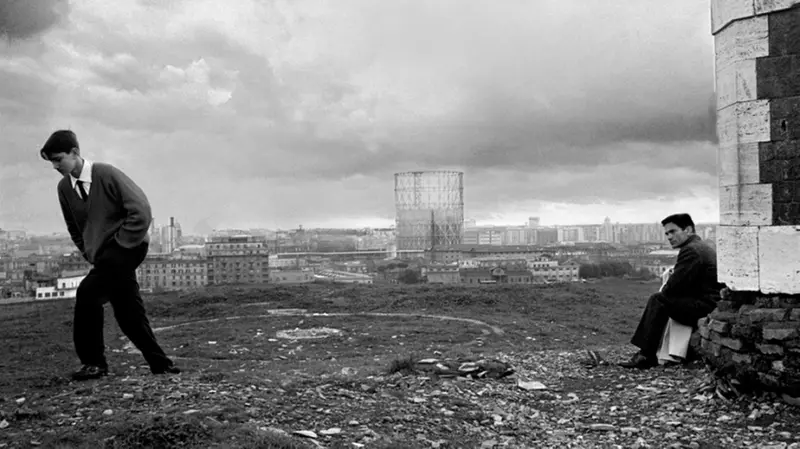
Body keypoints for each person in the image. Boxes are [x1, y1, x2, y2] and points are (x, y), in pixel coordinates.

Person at [40, 130, 179, 380]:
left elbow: (141, 210)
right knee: (127, 309)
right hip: (103, 256)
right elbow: (74, 227)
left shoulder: (106, 173)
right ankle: (160, 363)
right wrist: (90, 252)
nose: (55, 166)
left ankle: (94, 363)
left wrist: (122, 242)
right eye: (51, 161)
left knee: (87, 294)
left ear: (75, 152)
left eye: (58, 159)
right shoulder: (64, 188)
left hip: (129, 247)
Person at [619, 213, 720, 369]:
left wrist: (667, 286)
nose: (669, 237)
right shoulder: (701, 247)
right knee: (662, 299)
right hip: (710, 302)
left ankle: (646, 355)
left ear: (688, 230)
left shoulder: (691, 251)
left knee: (658, 299)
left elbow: (673, 287)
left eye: (673, 232)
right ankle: (655, 351)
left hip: (705, 306)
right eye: (667, 233)